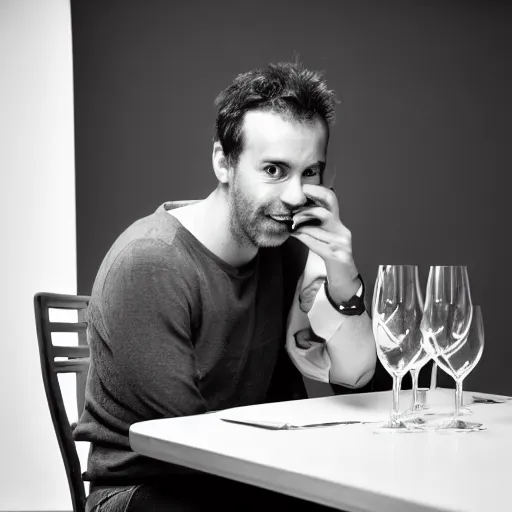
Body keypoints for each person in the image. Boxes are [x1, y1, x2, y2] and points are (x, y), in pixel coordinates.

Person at [74, 59, 377, 511]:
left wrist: (342, 277)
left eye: (309, 172)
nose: (295, 196)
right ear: (223, 161)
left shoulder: (288, 253)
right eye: (274, 170)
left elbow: (357, 382)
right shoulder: (151, 262)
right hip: (149, 491)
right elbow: (187, 445)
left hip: (245, 479)